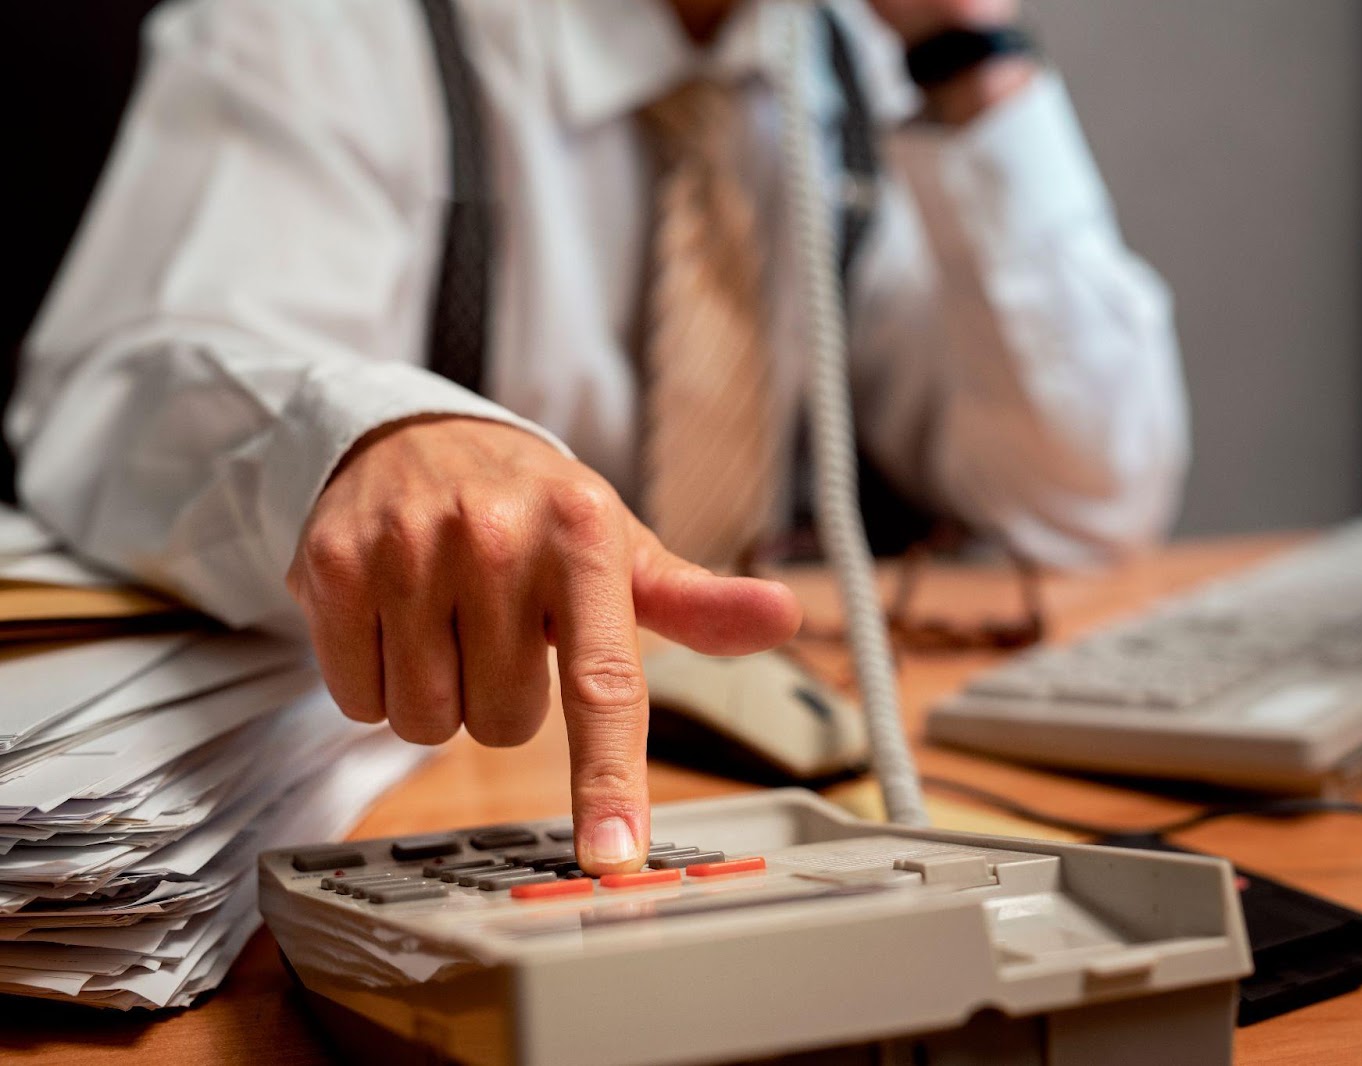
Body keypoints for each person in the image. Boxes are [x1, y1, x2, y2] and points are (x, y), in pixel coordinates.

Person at [7, 0, 1187, 873]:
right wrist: (375, 437)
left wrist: (968, 52)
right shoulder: (325, 32)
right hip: (438, 783)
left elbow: (1086, 496)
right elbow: (118, 386)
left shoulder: (848, 59)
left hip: (720, 791)